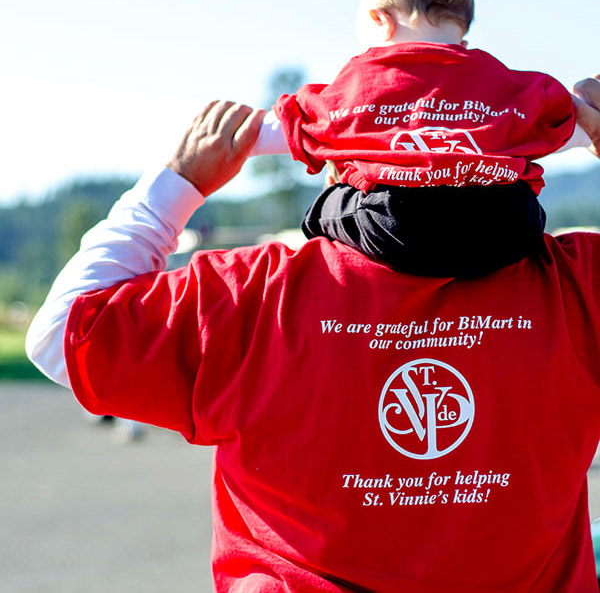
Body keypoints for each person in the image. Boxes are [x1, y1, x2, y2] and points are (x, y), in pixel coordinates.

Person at [25, 76, 600, 591]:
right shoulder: (579, 284)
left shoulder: (249, 296)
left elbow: (62, 336)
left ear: (331, 166)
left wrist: (178, 184)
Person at [252, 0, 593, 276]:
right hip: (508, 224)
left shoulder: (366, 78)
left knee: (326, 206)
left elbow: (294, 124)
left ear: (379, 21)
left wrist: (241, 139)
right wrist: (586, 127)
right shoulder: (504, 83)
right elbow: (561, 124)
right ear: (461, 32)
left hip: (399, 224)